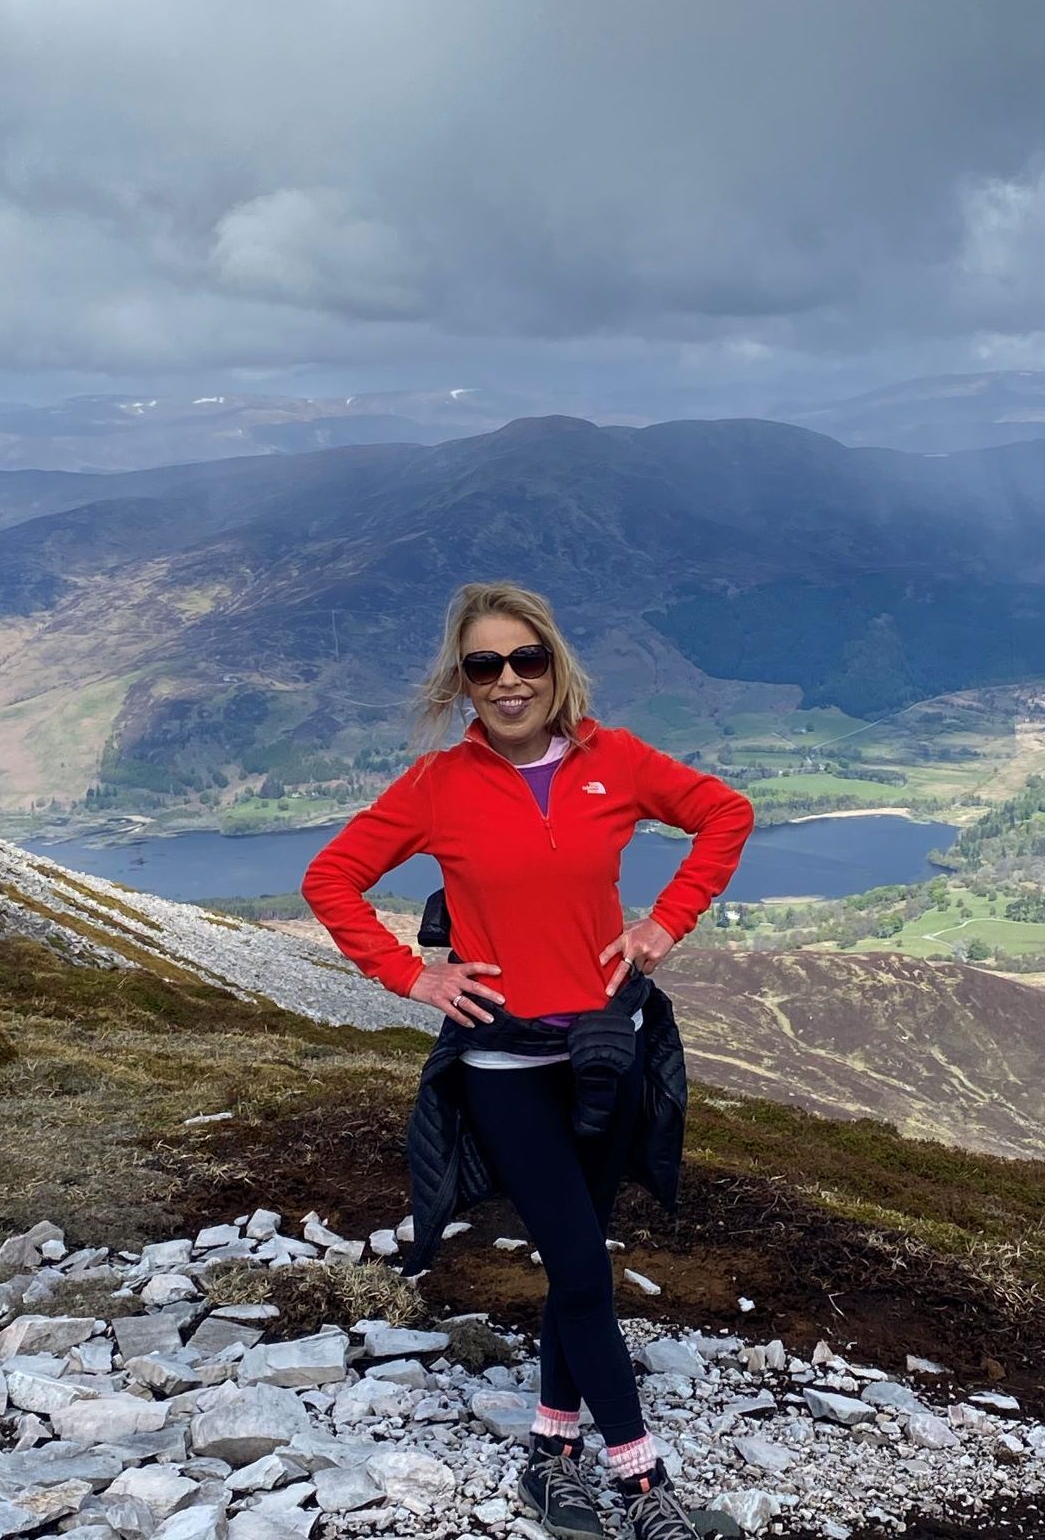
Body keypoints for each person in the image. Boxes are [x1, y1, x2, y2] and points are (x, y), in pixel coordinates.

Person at [300, 580, 754, 1540]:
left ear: (554, 664)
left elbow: (726, 814)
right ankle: (641, 1484)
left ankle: (550, 1458)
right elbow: (329, 877)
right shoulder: (438, 785)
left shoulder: (615, 761)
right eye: (484, 666)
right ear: (462, 683)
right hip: (503, 1064)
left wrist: (665, 924)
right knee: (583, 1270)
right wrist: (409, 977)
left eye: (526, 660)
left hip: (607, 1051)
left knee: (579, 1263)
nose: (508, 681)